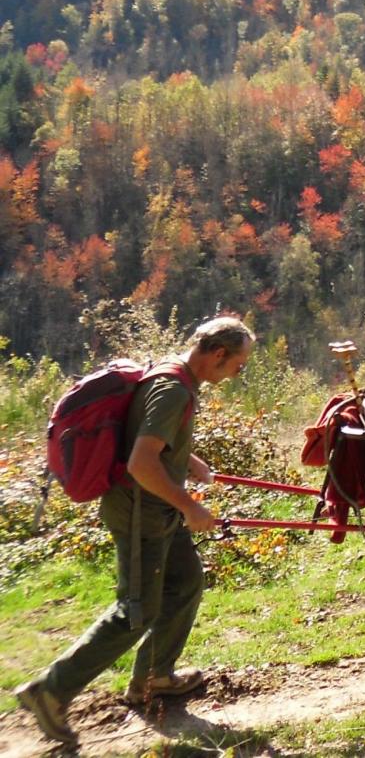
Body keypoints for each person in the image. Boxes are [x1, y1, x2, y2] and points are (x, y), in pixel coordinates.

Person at [16, 316, 256, 747]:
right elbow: (140, 464)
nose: (240, 372)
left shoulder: (173, 373)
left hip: (156, 507)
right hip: (142, 511)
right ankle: (50, 690)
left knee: (184, 583)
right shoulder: (173, 389)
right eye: (239, 363)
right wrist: (190, 506)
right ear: (218, 354)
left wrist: (188, 460)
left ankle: (155, 678)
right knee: (135, 612)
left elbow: (147, 438)